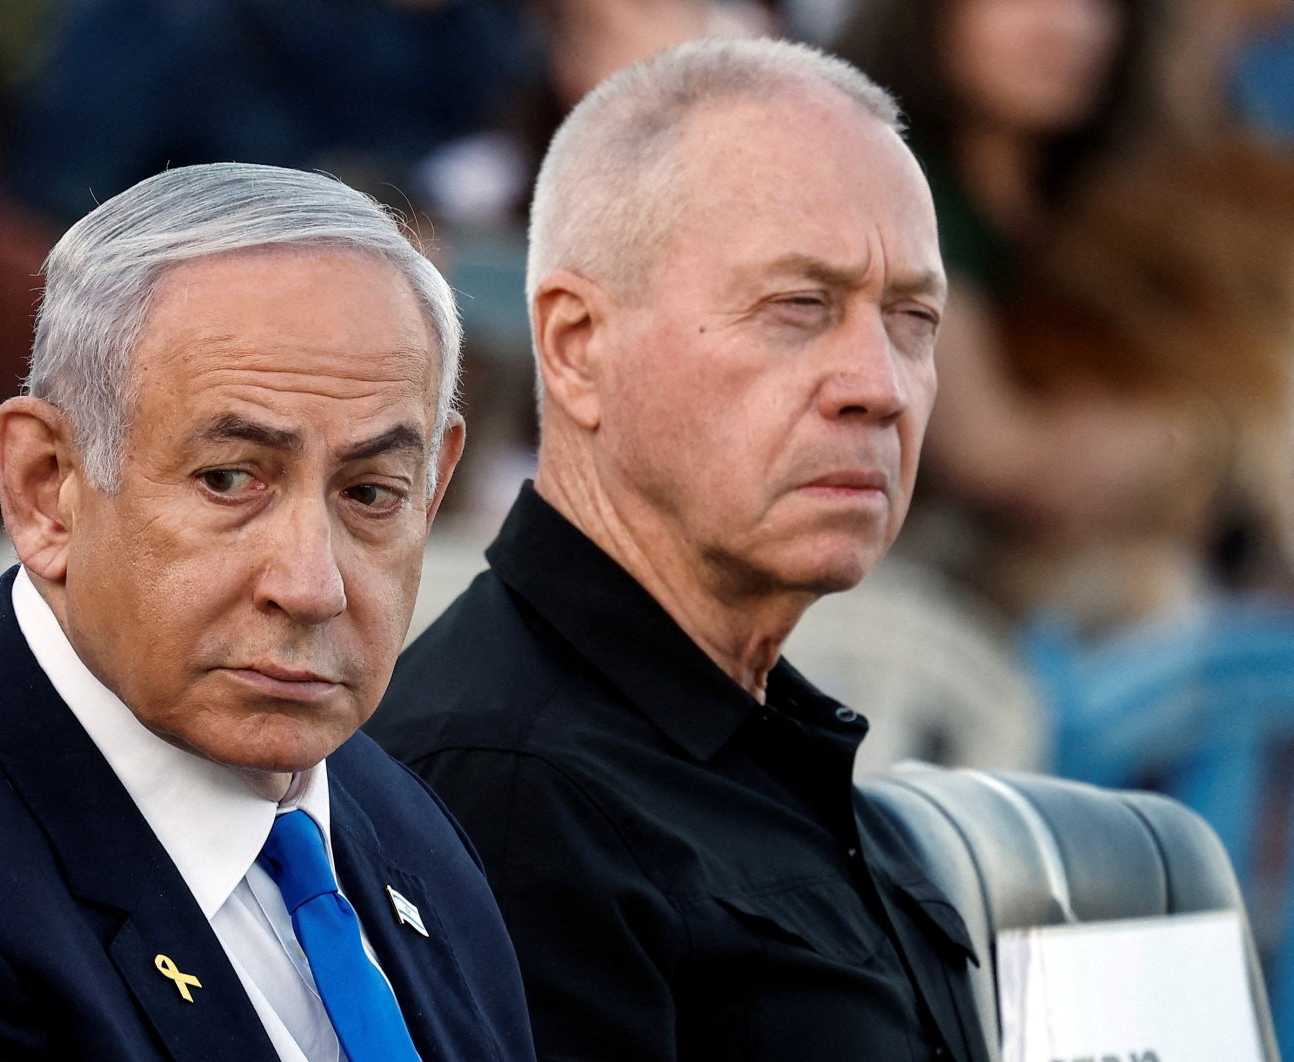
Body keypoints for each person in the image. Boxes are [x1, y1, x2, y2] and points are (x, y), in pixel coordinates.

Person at [0, 162, 535, 1062]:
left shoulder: (396, 817)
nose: (312, 582)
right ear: (45, 486)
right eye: (229, 480)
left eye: (372, 492)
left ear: (437, 483)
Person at [368, 38, 986, 1060]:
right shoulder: (511, 799)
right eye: (800, 306)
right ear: (575, 346)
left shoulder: (757, 745)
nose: (877, 385)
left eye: (913, 318)